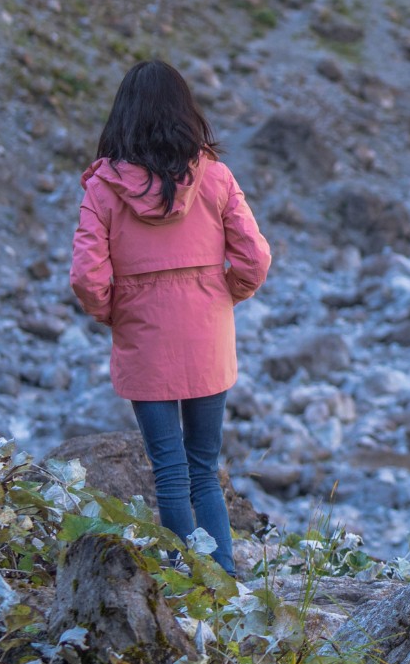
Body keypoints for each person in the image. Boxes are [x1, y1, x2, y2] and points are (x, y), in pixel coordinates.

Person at [70, 59, 270, 572]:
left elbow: (87, 278)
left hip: (144, 338)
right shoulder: (216, 177)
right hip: (208, 335)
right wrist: (224, 295)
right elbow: (255, 259)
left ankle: (186, 581)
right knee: (204, 468)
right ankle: (223, 579)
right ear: (185, 112)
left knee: (170, 472)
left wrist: (114, 313)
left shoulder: (102, 187)